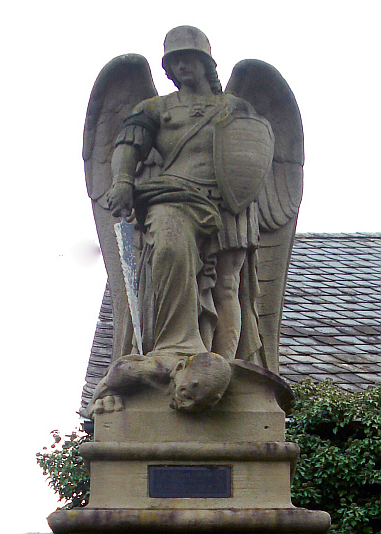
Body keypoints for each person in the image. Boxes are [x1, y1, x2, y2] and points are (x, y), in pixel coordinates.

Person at [106, 26, 272, 364]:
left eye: (189, 58)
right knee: (169, 251)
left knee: (227, 285)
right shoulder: (155, 108)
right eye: (175, 60)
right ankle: (175, 346)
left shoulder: (235, 107)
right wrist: (122, 180)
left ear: (206, 62)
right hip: (172, 196)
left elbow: (251, 153)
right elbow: (128, 144)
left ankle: (222, 366)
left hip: (228, 202)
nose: (182, 66)